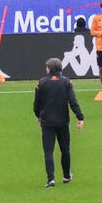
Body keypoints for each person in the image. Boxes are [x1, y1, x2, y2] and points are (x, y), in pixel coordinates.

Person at [33, 57, 84, 188]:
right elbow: (73, 101)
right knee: (65, 149)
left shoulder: (42, 83)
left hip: (47, 122)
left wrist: (38, 115)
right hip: (62, 122)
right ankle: (66, 176)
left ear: (49, 69)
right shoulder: (66, 82)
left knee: (48, 151)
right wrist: (80, 117)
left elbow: (36, 104)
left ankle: (51, 179)